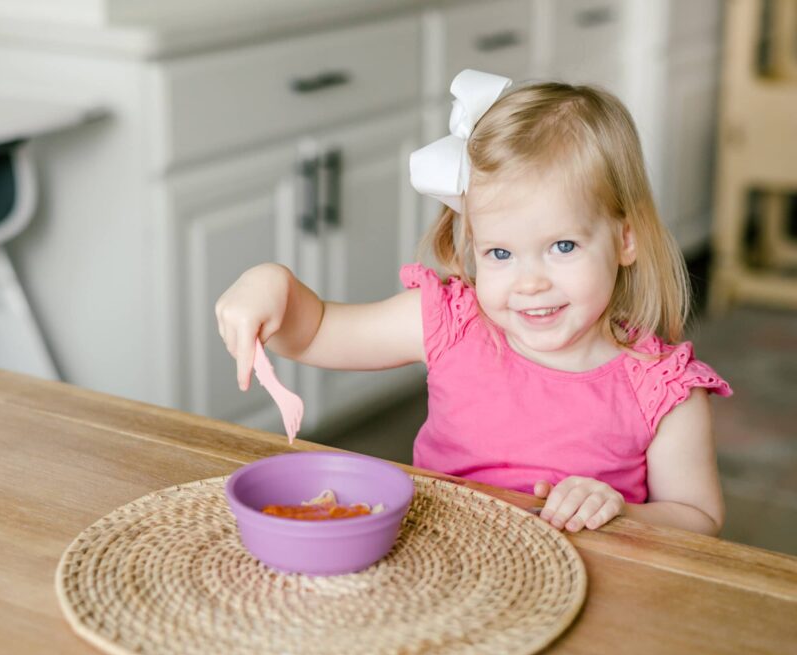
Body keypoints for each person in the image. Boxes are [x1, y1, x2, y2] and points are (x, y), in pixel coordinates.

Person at [214, 70, 731, 535]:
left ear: (625, 239)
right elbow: (315, 329)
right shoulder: (452, 324)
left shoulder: (666, 393)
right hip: (451, 582)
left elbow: (698, 520)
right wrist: (272, 284)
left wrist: (619, 510)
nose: (529, 283)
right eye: (500, 253)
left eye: (563, 246)